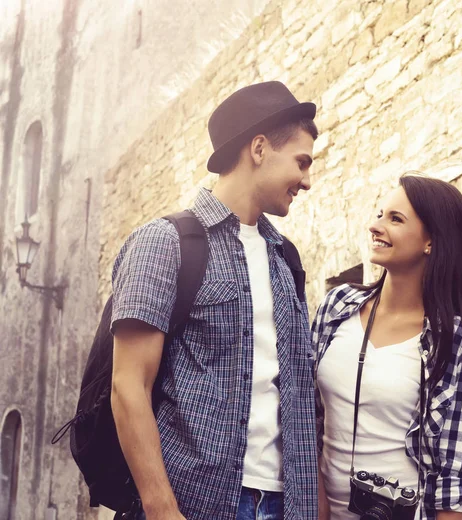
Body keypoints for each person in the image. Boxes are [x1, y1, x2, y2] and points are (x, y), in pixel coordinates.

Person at [110, 81, 319, 520]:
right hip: (196, 505)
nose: (306, 180)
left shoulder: (287, 260)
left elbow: (297, 396)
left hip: (286, 504)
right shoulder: (164, 243)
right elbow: (129, 386)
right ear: (259, 148)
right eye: (301, 162)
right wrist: (162, 510)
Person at [313, 173, 462, 520]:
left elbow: (452, 479)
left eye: (395, 219)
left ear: (431, 241)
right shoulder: (337, 306)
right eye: (380, 214)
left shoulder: (459, 342)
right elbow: (306, 415)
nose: (376, 226)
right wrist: (318, 500)